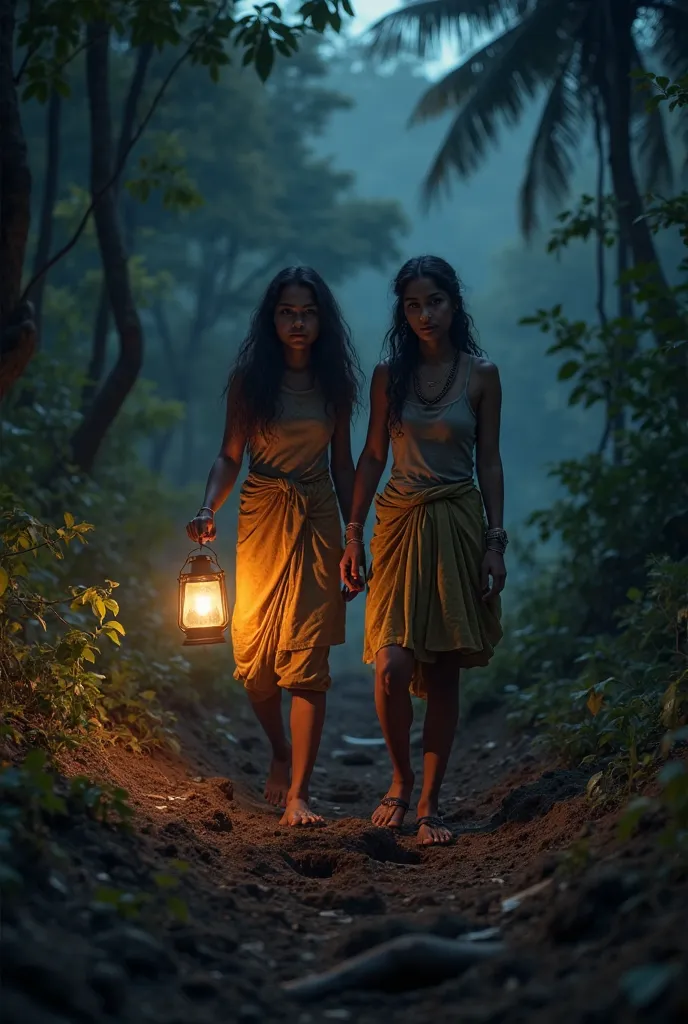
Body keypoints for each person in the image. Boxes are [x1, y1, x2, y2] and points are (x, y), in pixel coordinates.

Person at [340, 255, 505, 847]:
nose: (424, 314)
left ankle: (432, 802)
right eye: (412, 305)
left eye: (433, 301)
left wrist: (495, 542)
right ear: (402, 312)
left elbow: (489, 461)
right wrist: (353, 530)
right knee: (392, 665)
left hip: (458, 522)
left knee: (442, 671)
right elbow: (373, 456)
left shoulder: (481, 374)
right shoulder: (391, 375)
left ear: (453, 304)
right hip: (399, 522)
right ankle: (401, 779)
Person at [187, 266, 360, 827]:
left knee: (306, 658)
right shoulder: (250, 382)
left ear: (322, 319)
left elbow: (342, 465)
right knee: (254, 661)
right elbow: (228, 455)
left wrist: (354, 537)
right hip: (262, 514)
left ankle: (299, 795)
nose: (298, 323)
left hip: (317, 516)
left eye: (308, 312)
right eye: (287, 312)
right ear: (272, 317)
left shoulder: (337, 386)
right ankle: (280, 750)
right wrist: (209, 506)